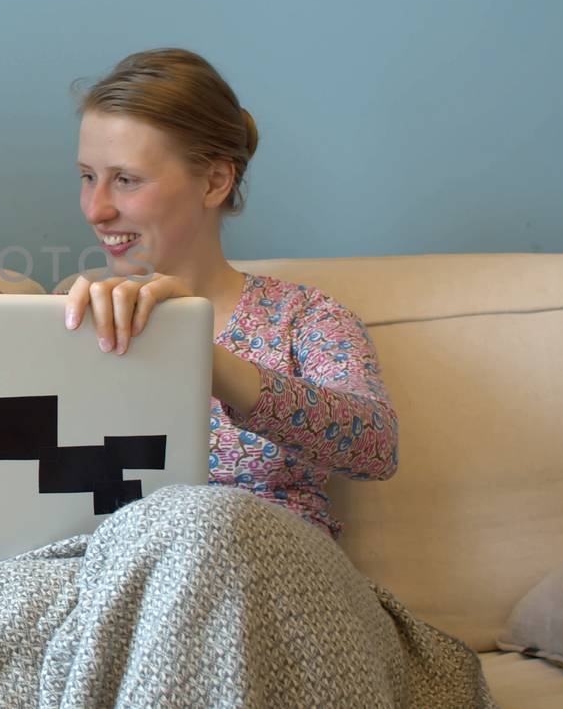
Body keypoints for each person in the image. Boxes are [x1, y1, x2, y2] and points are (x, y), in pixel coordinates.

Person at [61, 47, 397, 536]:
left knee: (203, 520)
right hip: (116, 577)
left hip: (269, 571)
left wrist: (199, 351)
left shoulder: (303, 316)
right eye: (88, 177)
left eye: (126, 180)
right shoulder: (73, 315)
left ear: (215, 181)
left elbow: (376, 449)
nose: (96, 210)